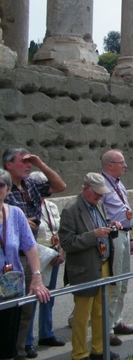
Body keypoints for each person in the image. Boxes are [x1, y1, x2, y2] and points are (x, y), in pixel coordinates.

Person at [2, 147, 66, 360]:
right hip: (9, 255)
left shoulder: (31, 184)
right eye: (24, 161)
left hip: (29, 254)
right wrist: (20, 224)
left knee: (26, 307)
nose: (28, 165)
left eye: (30, 161)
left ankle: (19, 349)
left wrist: (41, 164)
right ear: (8, 164)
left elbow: (60, 185)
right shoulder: (5, 188)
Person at [58, 173, 121, 360]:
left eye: (102, 194)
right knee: (82, 315)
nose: (100, 197)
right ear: (86, 189)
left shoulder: (99, 205)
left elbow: (102, 226)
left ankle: (99, 349)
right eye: (97, 194)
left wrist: (112, 226)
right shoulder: (70, 210)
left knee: (101, 312)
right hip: (84, 269)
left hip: (104, 265)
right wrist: (93, 234)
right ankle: (79, 353)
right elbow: (67, 242)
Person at [0, 169, 51, 360]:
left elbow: (30, 247)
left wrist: (37, 277)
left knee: (9, 338)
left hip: (11, 285)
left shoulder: (15, 213)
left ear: (7, 189)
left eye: (1, 185)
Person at [100, 150, 133, 346]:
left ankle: (117, 321)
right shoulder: (102, 185)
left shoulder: (118, 183)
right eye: (121, 163)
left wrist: (131, 238)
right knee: (114, 284)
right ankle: (106, 330)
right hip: (112, 237)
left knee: (122, 282)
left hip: (124, 234)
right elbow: (99, 214)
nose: (125, 166)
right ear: (109, 165)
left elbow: (124, 211)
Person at [25, 172, 66, 351]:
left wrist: (60, 252)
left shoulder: (51, 206)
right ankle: (26, 341)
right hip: (37, 256)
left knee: (49, 296)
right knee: (31, 298)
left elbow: (58, 232)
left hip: (53, 255)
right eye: (40, 184)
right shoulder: (26, 208)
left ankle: (46, 333)